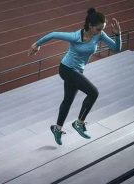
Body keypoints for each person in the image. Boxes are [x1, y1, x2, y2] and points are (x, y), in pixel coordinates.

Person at [28, 8, 122, 145]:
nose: (101, 32)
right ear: (90, 26)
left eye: (103, 29)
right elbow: (54, 34)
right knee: (93, 92)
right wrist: (37, 44)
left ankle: (57, 129)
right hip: (66, 69)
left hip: (78, 72)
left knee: (68, 100)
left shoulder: (99, 36)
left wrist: (118, 35)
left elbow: (116, 48)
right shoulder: (75, 37)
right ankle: (79, 123)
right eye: (98, 29)